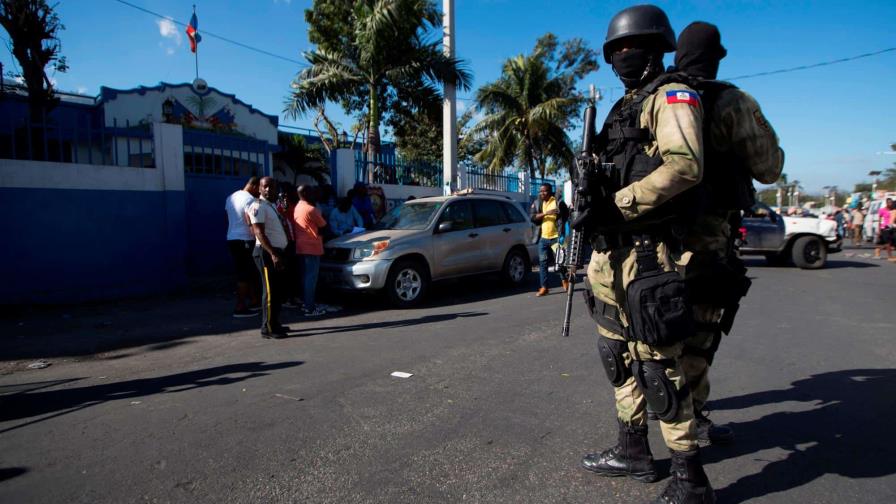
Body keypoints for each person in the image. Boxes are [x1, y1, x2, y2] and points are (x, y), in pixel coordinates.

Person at [578, 6, 714, 502]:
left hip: (647, 254)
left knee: (659, 364)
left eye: (628, 48)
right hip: (607, 254)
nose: (620, 57)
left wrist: (619, 204)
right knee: (617, 356)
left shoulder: (672, 97)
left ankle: (690, 477)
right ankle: (632, 450)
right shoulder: (621, 108)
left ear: (655, 48)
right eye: (614, 51)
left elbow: (685, 166)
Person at [671, 21, 784, 447]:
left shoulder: (654, 99)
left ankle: (647, 422)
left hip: (649, 240)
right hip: (706, 241)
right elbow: (770, 167)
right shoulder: (730, 101)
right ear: (717, 59)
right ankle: (691, 420)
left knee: (652, 329)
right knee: (698, 334)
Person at [248, 177, 292, 339]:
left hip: (277, 252)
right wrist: (273, 253)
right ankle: (267, 328)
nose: (268, 190)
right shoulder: (257, 206)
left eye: (272, 187)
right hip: (266, 253)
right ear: (259, 189)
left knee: (278, 290)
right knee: (270, 291)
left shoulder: (270, 206)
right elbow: (259, 232)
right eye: (265, 187)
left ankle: (275, 322)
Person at [225, 177, 261, 318]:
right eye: (259, 188)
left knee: (248, 272)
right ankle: (240, 307)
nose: (260, 192)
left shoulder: (231, 197)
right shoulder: (250, 200)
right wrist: (259, 240)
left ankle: (253, 301)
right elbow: (250, 222)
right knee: (244, 274)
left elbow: (227, 218)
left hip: (232, 238)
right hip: (245, 239)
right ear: (253, 186)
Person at [293, 185, 328, 317]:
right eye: (312, 192)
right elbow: (324, 226)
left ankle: (306, 303)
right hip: (312, 246)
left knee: (305, 276)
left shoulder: (298, 206)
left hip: (301, 246)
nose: (315, 194)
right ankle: (310, 308)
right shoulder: (311, 209)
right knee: (311, 278)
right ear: (306, 193)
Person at [529, 183, 566, 296]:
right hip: (543, 239)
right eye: (540, 191)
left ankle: (565, 280)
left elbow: (565, 215)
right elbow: (532, 217)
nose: (542, 193)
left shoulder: (558, 201)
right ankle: (544, 287)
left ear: (550, 191)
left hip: (556, 238)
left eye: (544, 191)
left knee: (560, 262)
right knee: (543, 263)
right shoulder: (537, 202)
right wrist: (546, 213)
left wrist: (562, 232)